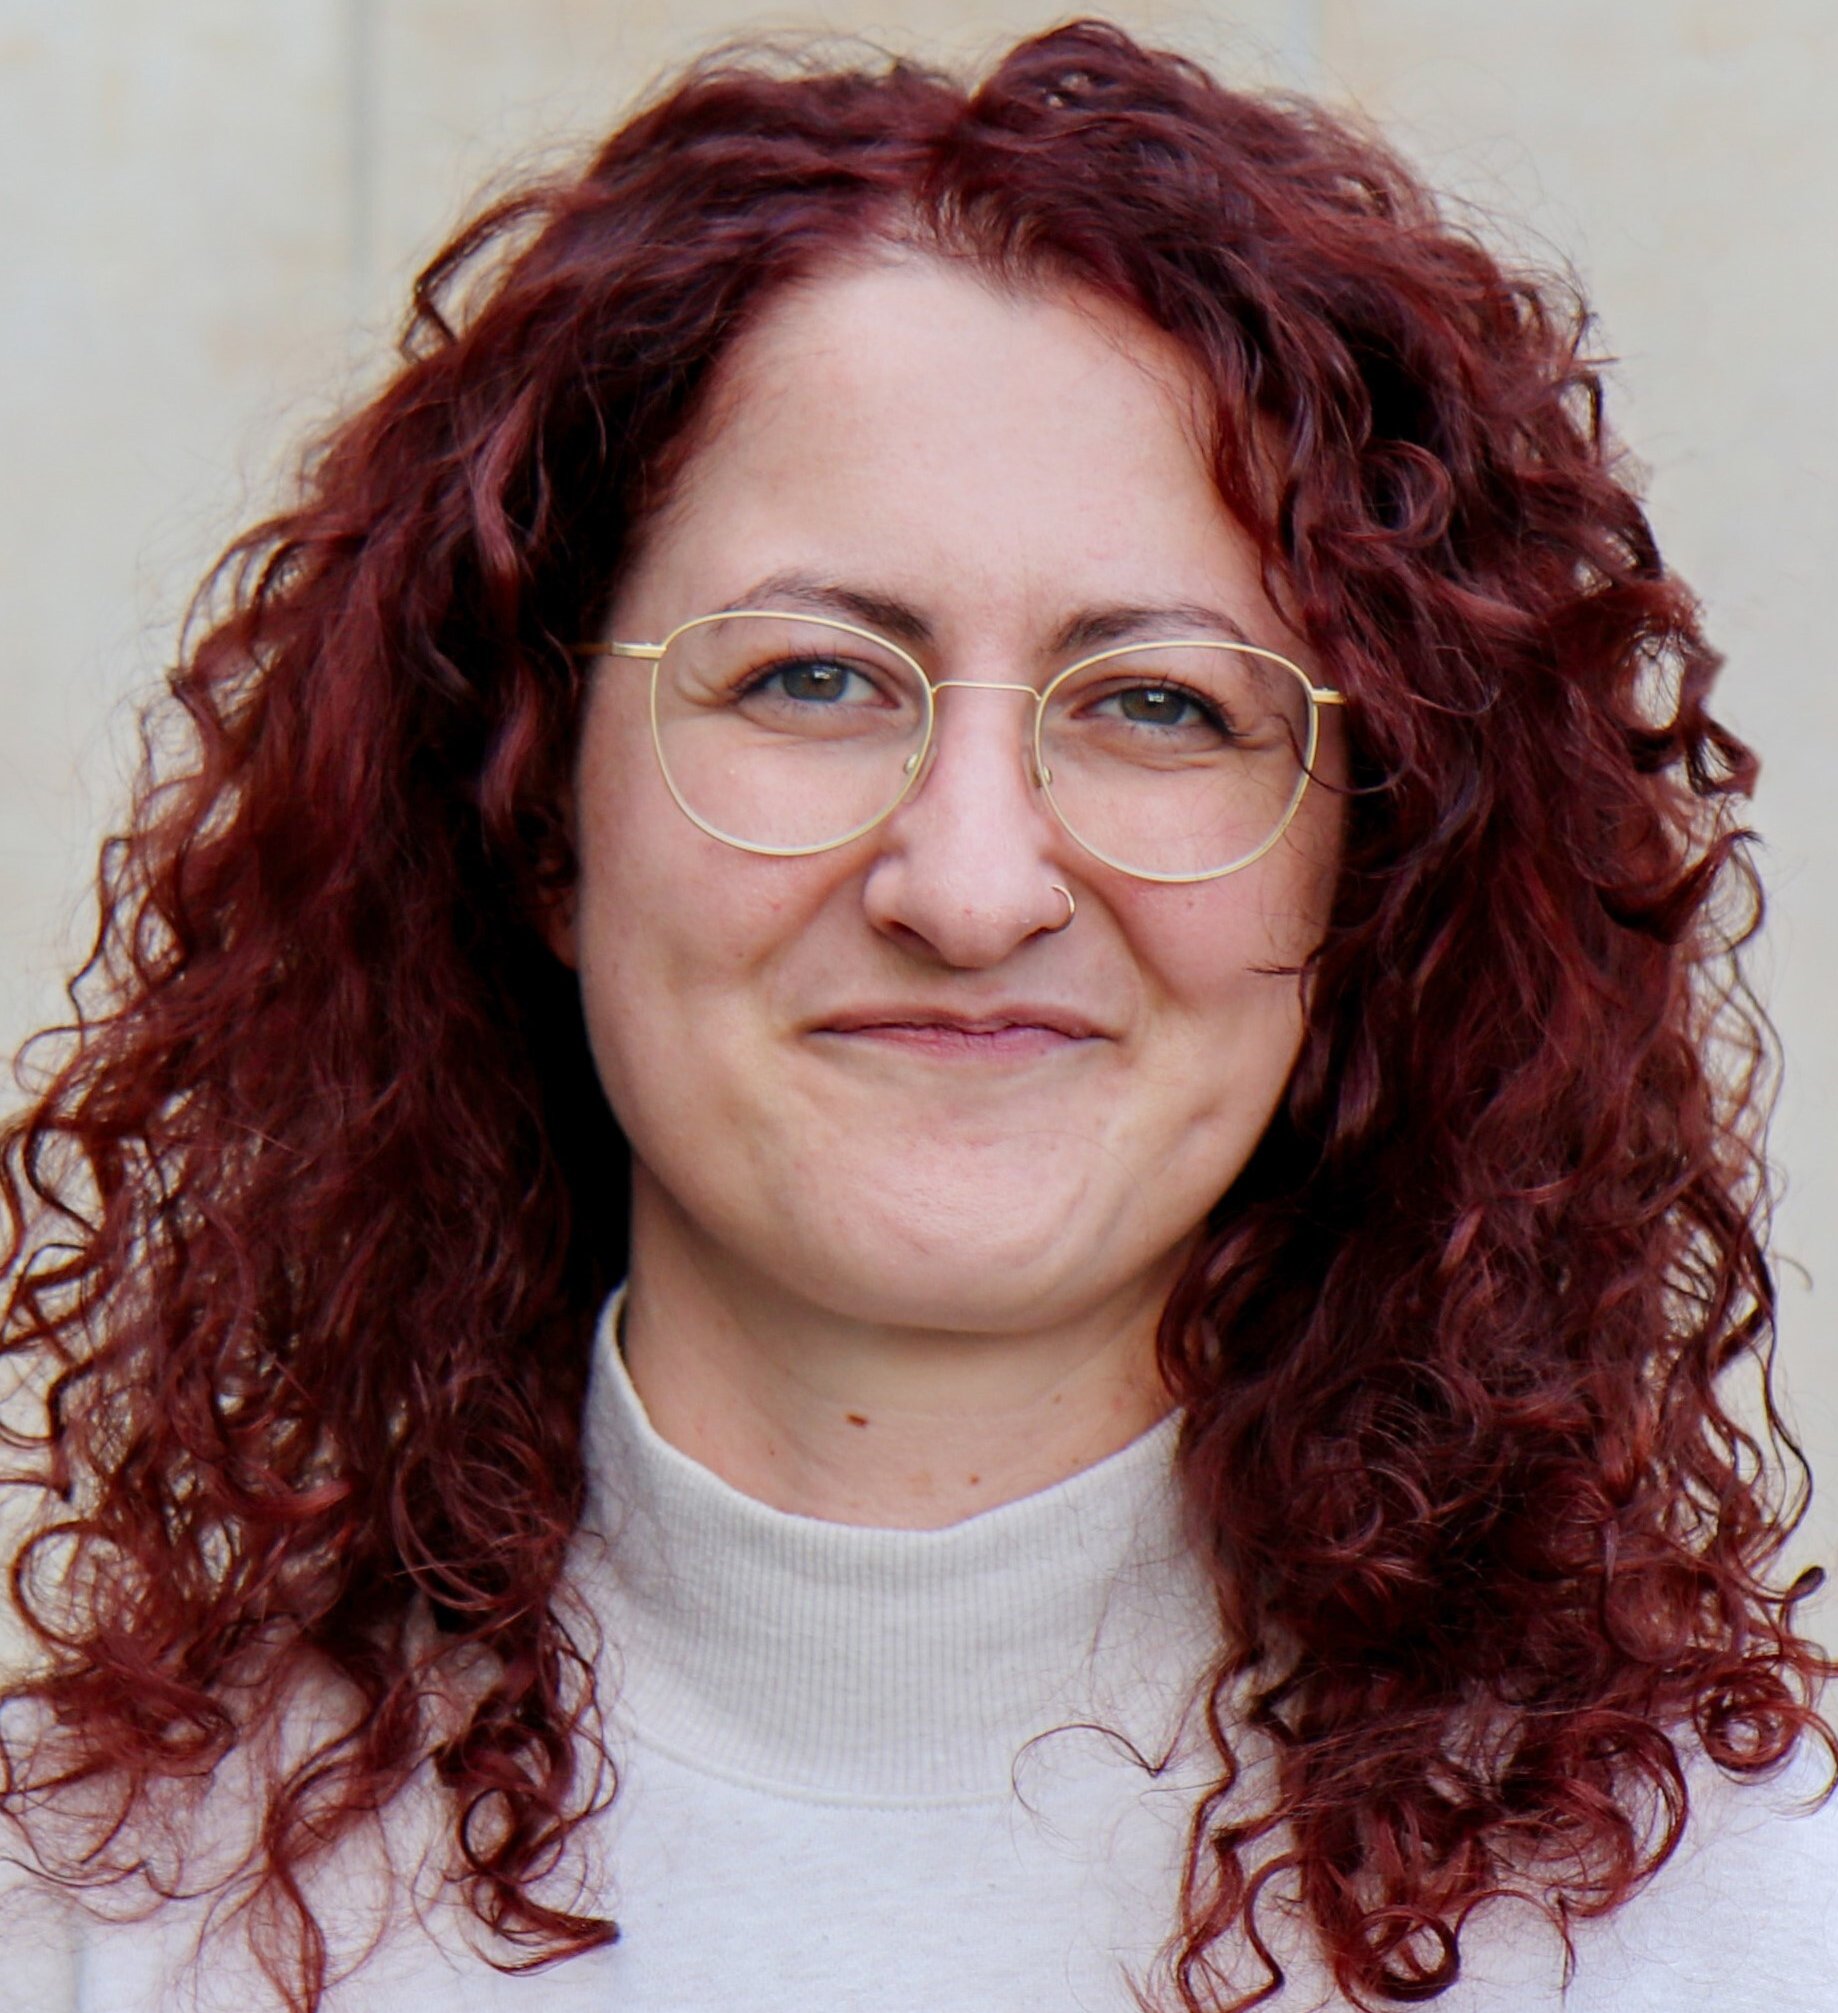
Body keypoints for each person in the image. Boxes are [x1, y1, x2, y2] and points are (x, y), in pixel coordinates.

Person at [1, 18, 1832, 2012]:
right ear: (536, 810)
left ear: (1361, 877)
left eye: (1160, 705)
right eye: (808, 679)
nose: (968, 887)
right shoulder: (93, 1916)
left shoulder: (1745, 1929)